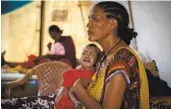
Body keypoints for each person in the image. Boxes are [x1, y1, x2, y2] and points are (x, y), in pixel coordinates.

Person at [72, 1, 149, 109]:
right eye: (89, 19)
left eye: (94, 19)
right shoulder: (105, 55)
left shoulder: (120, 62)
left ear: (112, 24)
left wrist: (80, 92)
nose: (88, 24)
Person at [54, 44, 101, 109]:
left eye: (91, 54)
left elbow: (72, 90)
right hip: (58, 101)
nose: (87, 55)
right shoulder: (76, 71)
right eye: (84, 53)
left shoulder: (92, 75)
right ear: (79, 59)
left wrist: (75, 101)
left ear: (97, 61)